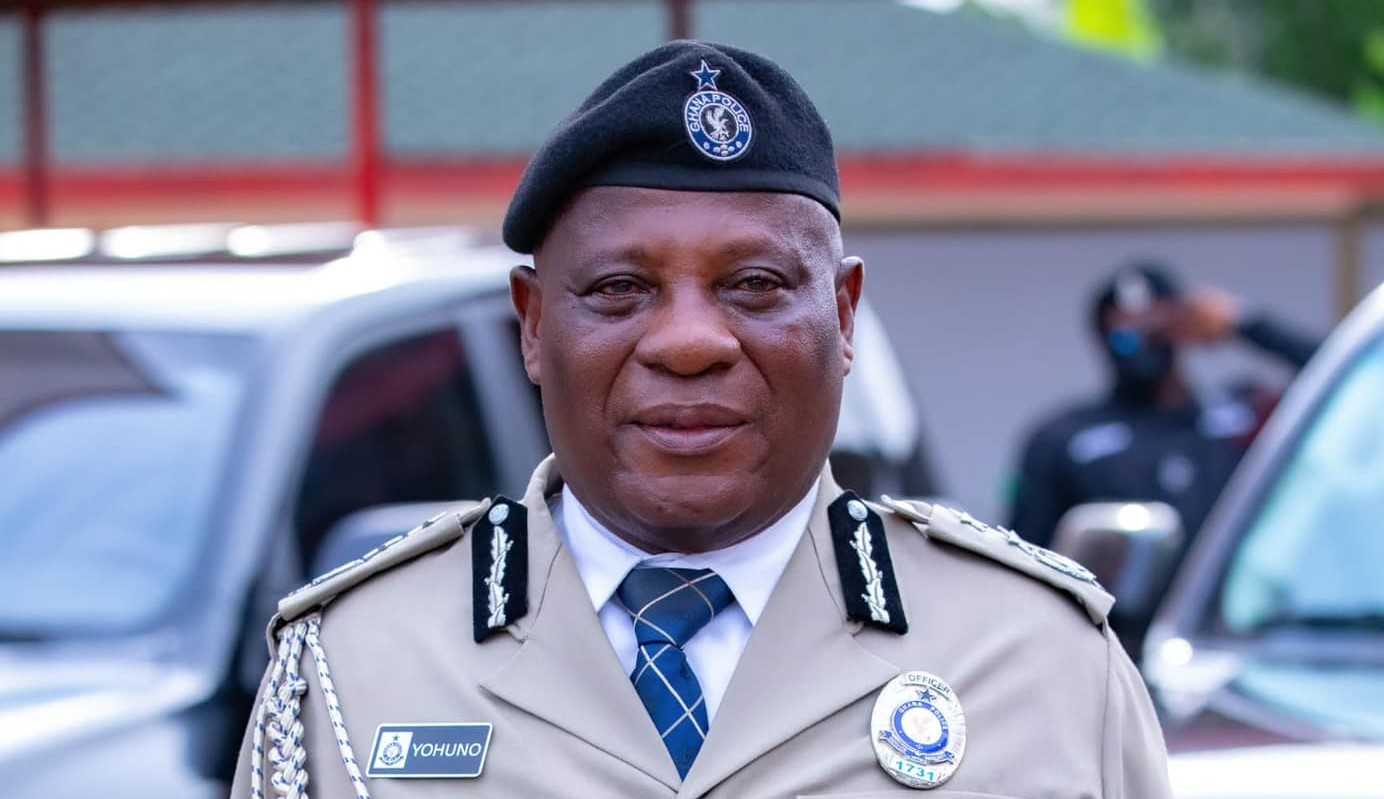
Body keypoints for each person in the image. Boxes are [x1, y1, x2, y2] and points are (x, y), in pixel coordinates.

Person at [232, 41, 1169, 797]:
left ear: (843, 317)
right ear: (534, 324)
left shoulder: (1041, 662)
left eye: (754, 284)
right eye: (620, 288)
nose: (688, 343)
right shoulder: (353, 669)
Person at [1009, 262, 1320, 550]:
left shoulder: (1242, 416)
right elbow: (1026, 553)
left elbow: (1335, 385)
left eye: (1154, 328)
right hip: (1117, 593)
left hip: (1228, 590)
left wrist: (1246, 323)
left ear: (1182, 326)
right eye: (1124, 335)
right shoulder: (1064, 439)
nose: (1141, 340)